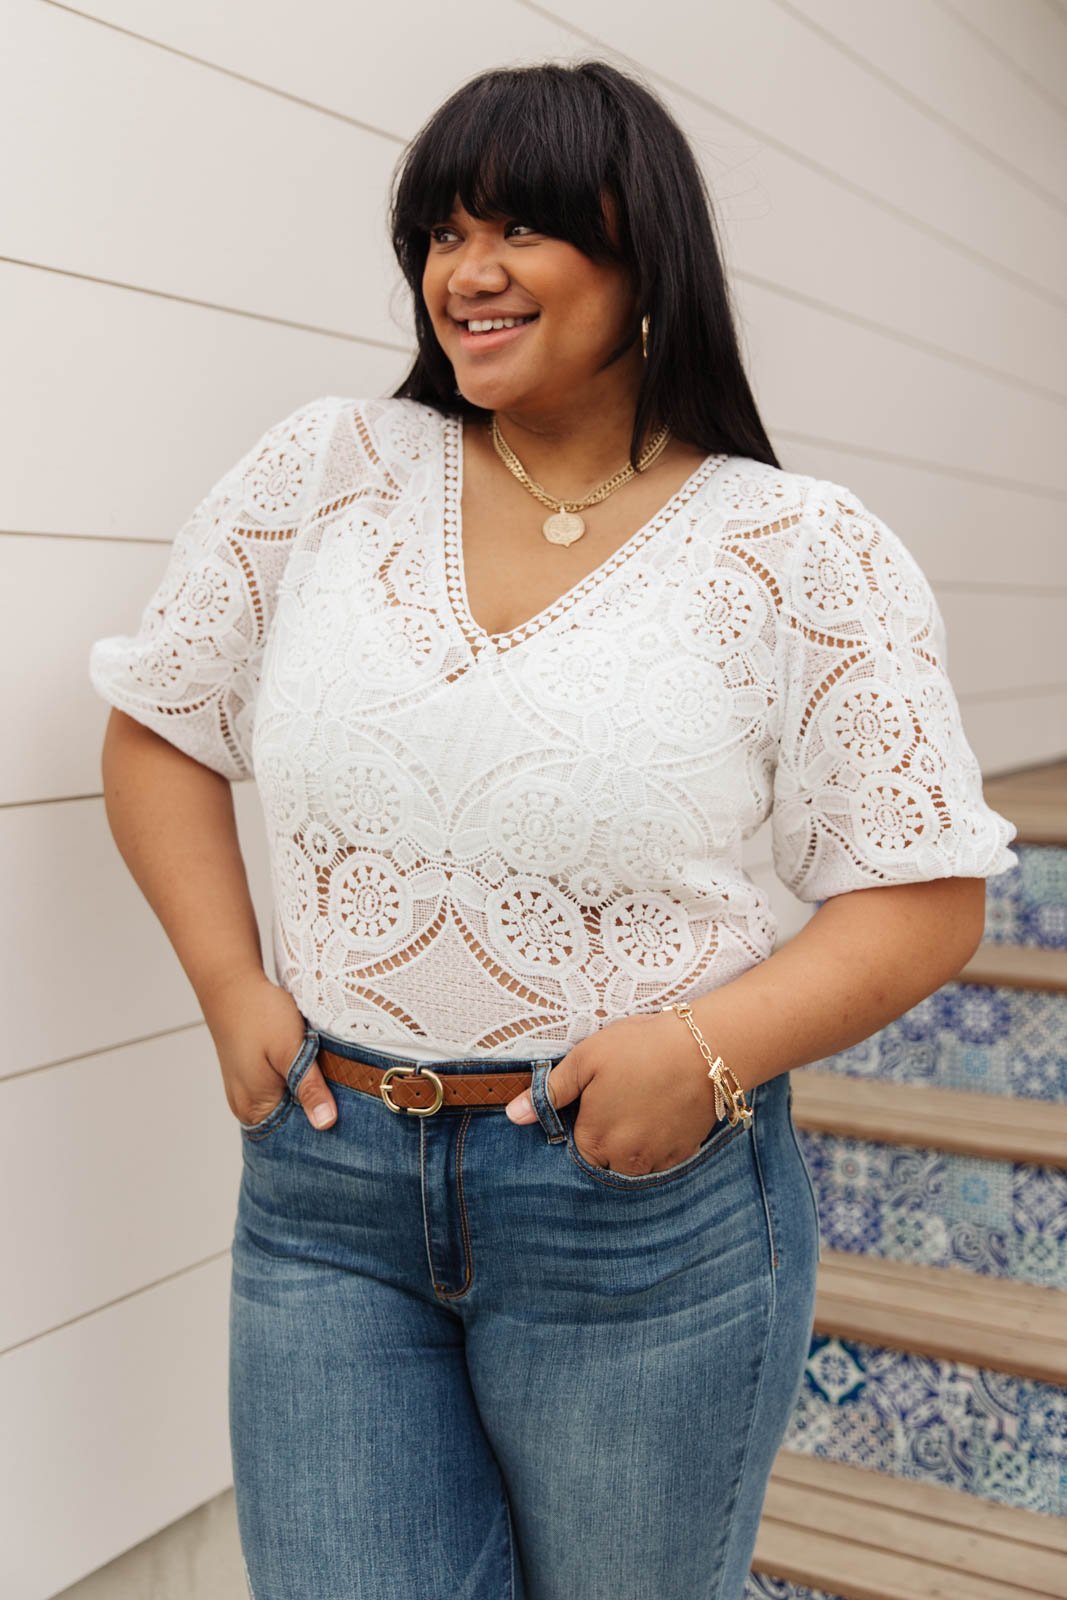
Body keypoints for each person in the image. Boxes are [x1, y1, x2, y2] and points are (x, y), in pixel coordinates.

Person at [88, 58, 1018, 1600]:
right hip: (328, 1189)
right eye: (442, 233)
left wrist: (703, 1056)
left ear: (642, 254)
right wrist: (229, 985)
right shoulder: (331, 473)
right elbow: (159, 727)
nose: (471, 270)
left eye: (519, 227)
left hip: (634, 1209)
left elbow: (922, 897)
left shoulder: (798, 550)